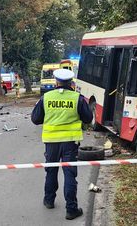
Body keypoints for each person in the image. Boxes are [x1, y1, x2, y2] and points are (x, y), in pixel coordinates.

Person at [31, 69, 93, 220]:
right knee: (69, 174)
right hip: (70, 143)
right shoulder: (77, 98)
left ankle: (49, 200)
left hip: (51, 142)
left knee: (51, 171)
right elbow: (88, 118)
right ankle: (71, 209)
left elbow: (35, 119)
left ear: (56, 82)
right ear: (71, 83)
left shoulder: (46, 98)